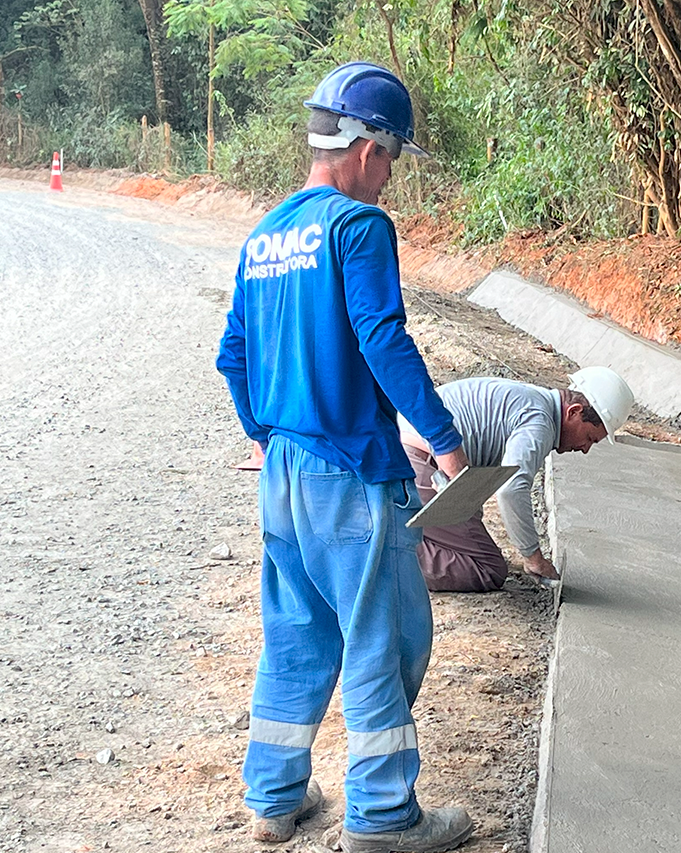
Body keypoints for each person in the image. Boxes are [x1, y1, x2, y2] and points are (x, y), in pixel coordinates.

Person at [216, 62, 477, 853]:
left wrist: (266, 433)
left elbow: (233, 354)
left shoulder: (267, 236)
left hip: (286, 475)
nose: (390, 177)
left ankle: (274, 798)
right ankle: (383, 817)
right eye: (393, 159)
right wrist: (446, 437)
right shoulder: (357, 227)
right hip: (353, 475)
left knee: (295, 633)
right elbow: (382, 338)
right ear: (368, 147)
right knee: (384, 635)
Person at [400, 368, 635, 592]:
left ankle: (390, 532)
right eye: (590, 438)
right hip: (419, 462)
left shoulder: (531, 399)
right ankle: (384, 556)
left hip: (409, 451)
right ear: (573, 412)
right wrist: (533, 556)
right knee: (488, 568)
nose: (585, 449)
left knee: (466, 538)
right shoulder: (539, 422)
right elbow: (511, 490)